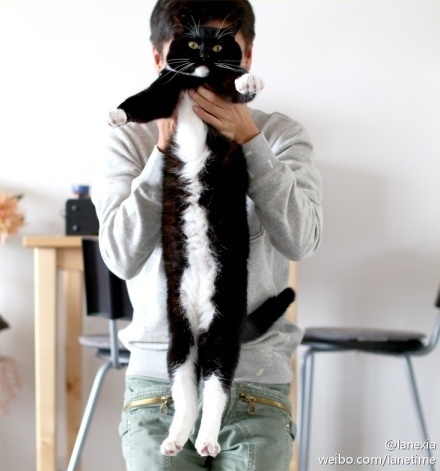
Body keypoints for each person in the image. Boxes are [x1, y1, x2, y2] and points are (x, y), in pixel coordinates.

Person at [93, 1, 323, 470]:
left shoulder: (281, 134)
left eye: (222, 48)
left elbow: (301, 241)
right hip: (158, 390)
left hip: (255, 388)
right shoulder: (129, 138)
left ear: (246, 55)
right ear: (159, 57)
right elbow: (119, 256)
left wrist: (251, 141)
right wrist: (163, 149)